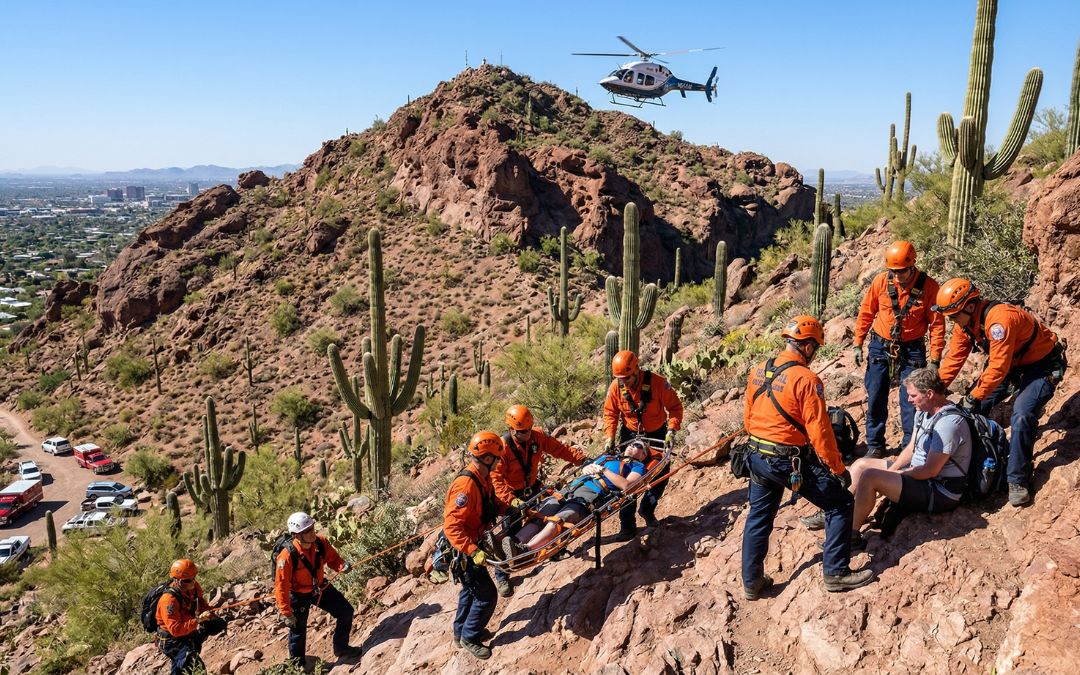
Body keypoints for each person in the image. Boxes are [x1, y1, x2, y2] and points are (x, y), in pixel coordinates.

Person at [741, 315, 875, 599]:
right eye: (815, 348)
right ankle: (836, 572)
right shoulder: (806, 379)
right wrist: (838, 469)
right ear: (808, 347)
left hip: (756, 455)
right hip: (786, 459)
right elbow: (820, 431)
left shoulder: (758, 370)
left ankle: (751, 582)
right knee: (840, 502)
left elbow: (748, 416)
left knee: (759, 517)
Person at [934, 278, 1065, 506]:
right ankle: (970, 465)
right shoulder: (965, 324)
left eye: (954, 315)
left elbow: (998, 367)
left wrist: (972, 397)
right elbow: (955, 358)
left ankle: (1018, 480)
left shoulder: (999, 320)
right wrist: (937, 389)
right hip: (1012, 367)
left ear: (971, 306)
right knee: (970, 411)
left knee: (1022, 414)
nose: (952, 321)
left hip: (1041, 366)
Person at [801, 368, 972, 540]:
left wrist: (896, 474)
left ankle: (848, 536)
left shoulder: (949, 424)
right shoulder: (923, 412)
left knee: (870, 476)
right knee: (862, 464)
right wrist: (893, 471)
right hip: (919, 475)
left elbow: (931, 471)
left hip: (940, 490)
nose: (908, 400)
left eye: (913, 395)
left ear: (929, 393)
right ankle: (837, 511)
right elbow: (913, 448)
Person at [852, 241, 945, 459]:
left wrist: (934, 359)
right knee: (875, 394)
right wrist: (858, 343)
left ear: (912, 265)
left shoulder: (929, 287)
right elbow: (866, 312)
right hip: (880, 345)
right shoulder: (881, 282)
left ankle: (908, 446)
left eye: (901, 271)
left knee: (911, 400)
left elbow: (937, 325)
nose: (897, 275)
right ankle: (875, 445)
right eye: (893, 271)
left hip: (912, 350)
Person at [490, 404, 587, 597]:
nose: (527, 434)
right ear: (511, 429)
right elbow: (496, 479)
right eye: (522, 431)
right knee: (511, 533)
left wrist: (582, 460)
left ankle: (554, 549)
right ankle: (502, 575)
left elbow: (559, 450)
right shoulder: (503, 448)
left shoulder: (537, 436)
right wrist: (511, 502)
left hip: (533, 489)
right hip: (512, 496)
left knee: (550, 516)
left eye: (528, 429)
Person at [501, 439, 649, 556]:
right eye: (631, 443)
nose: (632, 446)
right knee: (541, 514)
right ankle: (513, 544)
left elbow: (627, 486)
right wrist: (587, 468)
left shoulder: (638, 466)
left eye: (637, 445)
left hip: (592, 493)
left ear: (644, 455)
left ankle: (526, 550)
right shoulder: (608, 457)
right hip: (572, 488)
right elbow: (586, 467)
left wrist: (603, 470)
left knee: (560, 518)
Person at [603, 350, 683, 540]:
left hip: (657, 433)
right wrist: (610, 437)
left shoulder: (657, 383)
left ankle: (647, 509)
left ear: (637, 370)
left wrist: (671, 430)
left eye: (627, 378)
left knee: (661, 473)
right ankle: (627, 526)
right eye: (620, 378)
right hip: (630, 434)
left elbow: (675, 408)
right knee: (626, 478)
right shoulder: (616, 387)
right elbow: (610, 413)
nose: (624, 382)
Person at [444, 430, 510, 661]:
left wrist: (509, 506)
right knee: (486, 594)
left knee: (470, 591)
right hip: (464, 548)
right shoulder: (466, 486)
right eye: (496, 458)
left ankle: (459, 632)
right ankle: (470, 637)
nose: (499, 461)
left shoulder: (481, 477)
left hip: (471, 543)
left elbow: (489, 503)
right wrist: (472, 551)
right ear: (488, 458)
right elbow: (452, 527)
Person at [274, 511, 361, 666]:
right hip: (298, 595)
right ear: (296, 536)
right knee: (297, 630)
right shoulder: (286, 556)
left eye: (312, 528)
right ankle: (297, 666)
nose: (312, 532)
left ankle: (341, 648)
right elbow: (281, 587)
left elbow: (333, 559)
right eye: (307, 531)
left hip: (319, 588)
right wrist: (286, 613)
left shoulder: (320, 542)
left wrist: (342, 566)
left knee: (345, 611)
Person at [155, 559, 227, 675]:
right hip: (171, 640)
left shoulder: (192, 586)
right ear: (177, 581)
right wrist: (198, 620)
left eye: (194, 578)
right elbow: (176, 629)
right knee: (195, 666)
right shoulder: (168, 601)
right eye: (188, 580)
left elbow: (200, 602)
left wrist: (209, 614)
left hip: (187, 631)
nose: (193, 582)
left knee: (181, 668)